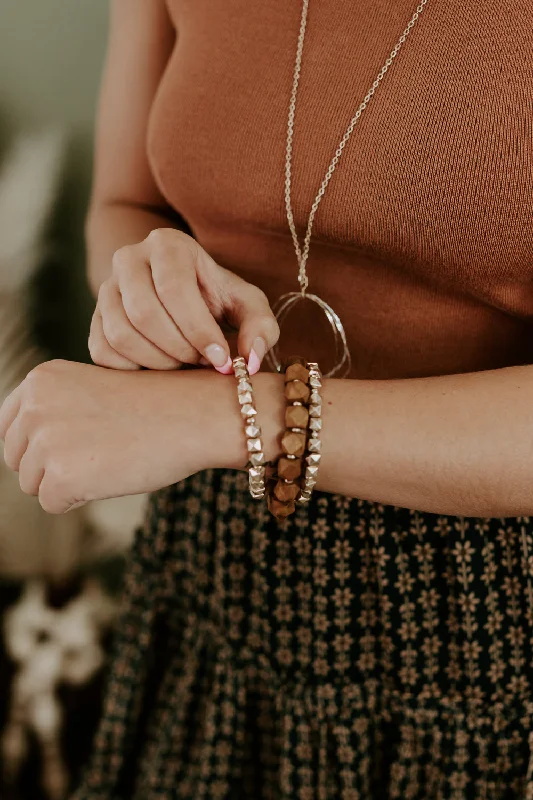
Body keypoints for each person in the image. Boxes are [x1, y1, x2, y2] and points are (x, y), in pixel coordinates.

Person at [1, 0, 533, 796]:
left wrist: (235, 416)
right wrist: (145, 290)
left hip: (489, 616)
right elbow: (126, 206)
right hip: (217, 568)